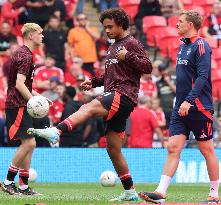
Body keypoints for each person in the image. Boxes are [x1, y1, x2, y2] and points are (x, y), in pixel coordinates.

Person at [27, 8, 153, 202]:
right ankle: (130, 192)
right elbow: (112, 75)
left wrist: (128, 56)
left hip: (124, 95)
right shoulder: (113, 46)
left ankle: (57, 131)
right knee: (113, 148)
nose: (107, 30)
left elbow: (147, 67)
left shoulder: (131, 43)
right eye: (105, 27)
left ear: (121, 24)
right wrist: (94, 82)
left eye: (110, 27)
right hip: (114, 93)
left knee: (88, 107)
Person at [139, 10, 220, 204]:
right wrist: (181, 101)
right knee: (173, 147)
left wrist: (189, 100)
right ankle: (160, 193)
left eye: (181, 21)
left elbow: (202, 77)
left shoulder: (201, 46)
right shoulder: (182, 46)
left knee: (206, 149)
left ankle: (214, 195)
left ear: (191, 24)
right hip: (180, 106)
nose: (176, 24)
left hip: (198, 106)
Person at [0, 23, 44, 195]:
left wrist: (38, 96)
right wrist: (34, 101)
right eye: (40, 34)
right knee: (29, 142)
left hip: (22, 103)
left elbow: (22, 83)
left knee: (29, 145)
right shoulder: (25, 55)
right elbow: (18, 84)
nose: (42, 36)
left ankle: (24, 186)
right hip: (17, 104)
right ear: (31, 35)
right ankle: (7, 181)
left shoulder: (23, 53)